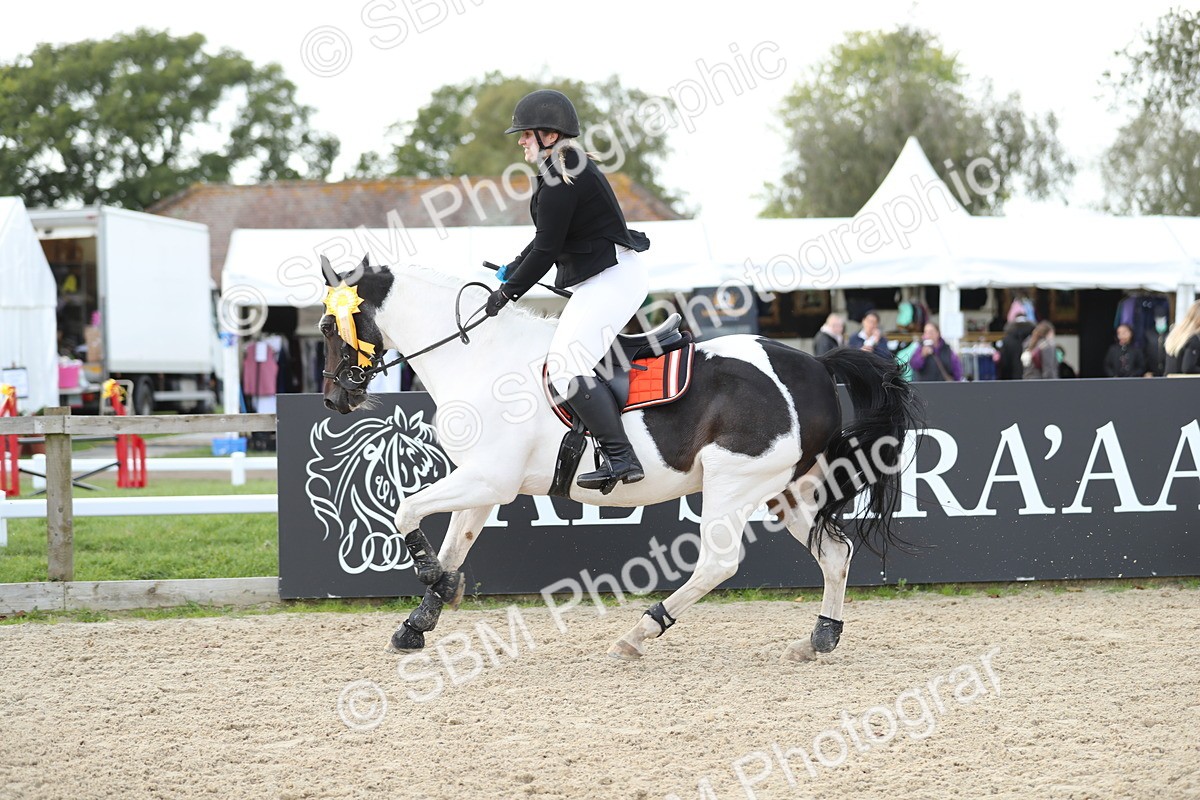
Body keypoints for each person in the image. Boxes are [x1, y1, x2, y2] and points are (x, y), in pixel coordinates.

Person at [485, 89, 651, 490]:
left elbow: (546, 249)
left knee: (565, 367)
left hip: (611, 279)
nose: (521, 140)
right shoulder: (561, 168)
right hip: (605, 278)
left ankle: (621, 457)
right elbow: (545, 239)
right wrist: (512, 270)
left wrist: (507, 295)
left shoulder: (562, 174)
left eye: (525, 134)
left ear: (548, 133)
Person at [1164, 299, 1200, 375]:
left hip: (1168, 382)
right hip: (1183, 384)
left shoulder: (1176, 335)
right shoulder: (1193, 339)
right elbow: (1188, 368)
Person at [995, 315, 1035, 380]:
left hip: (1010, 380)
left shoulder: (1007, 340)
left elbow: (1004, 363)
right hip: (1029, 379)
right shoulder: (1032, 340)